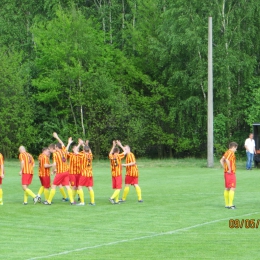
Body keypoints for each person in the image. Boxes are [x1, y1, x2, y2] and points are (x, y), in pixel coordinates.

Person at [43, 133, 75, 205]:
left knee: (53, 186)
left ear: (56, 148)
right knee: (67, 186)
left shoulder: (55, 154)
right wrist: (68, 143)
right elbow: (63, 144)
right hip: (66, 171)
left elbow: (55, 164)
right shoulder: (64, 151)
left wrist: (52, 170)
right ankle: (72, 201)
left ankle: (49, 201)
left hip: (60, 172)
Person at [220, 142, 238, 209]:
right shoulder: (231, 152)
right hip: (231, 173)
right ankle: (231, 205)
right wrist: (229, 169)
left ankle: (227, 204)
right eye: (236, 148)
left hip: (226, 173)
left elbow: (221, 160)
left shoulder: (227, 152)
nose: (236, 150)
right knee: (232, 188)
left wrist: (225, 168)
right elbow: (227, 160)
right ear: (233, 147)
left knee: (227, 188)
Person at [108, 140, 127, 204]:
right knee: (119, 188)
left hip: (113, 174)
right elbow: (125, 151)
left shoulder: (111, 156)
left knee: (116, 188)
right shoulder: (118, 156)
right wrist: (120, 145)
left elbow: (110, 153)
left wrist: (113, 146)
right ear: (118, 151)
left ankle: (116, 201)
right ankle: (111, 198)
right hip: (118, 173)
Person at [77, 140, 95, 206]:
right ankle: (92, 202)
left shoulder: (83, 155)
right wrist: (85, 144)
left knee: (79, 187)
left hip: (84, 173)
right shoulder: (90, 155)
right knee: (90, 187)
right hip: (90, 173)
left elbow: (76, 151)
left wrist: (80, 144)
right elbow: (89, 151)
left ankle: (82, 202)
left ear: (84, 151)